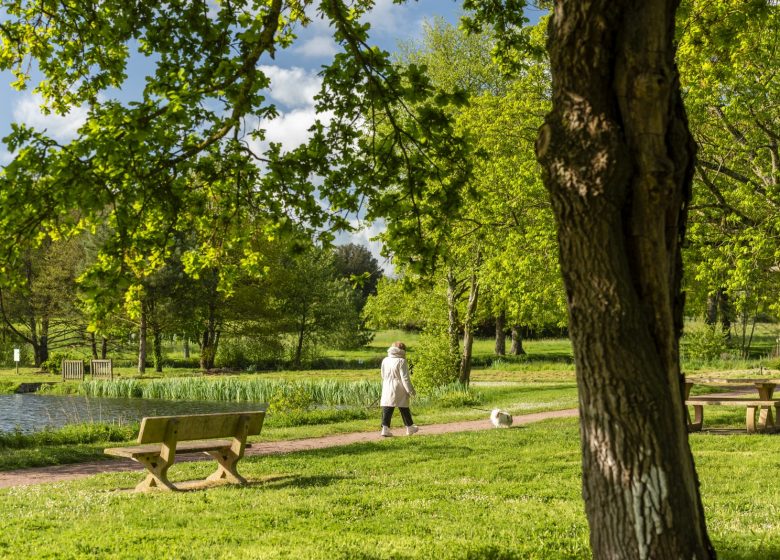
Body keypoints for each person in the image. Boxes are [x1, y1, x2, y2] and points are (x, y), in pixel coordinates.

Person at [379, 341, 418, 436]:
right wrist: (410, 391)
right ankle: (409, 428)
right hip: (399, 386)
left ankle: (385, 429)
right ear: (402, 350)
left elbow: (383, 375)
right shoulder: (401, 361)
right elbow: (405, 378)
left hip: (387, 385)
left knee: (387, 407)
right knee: (404, 407)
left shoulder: (385, 360)